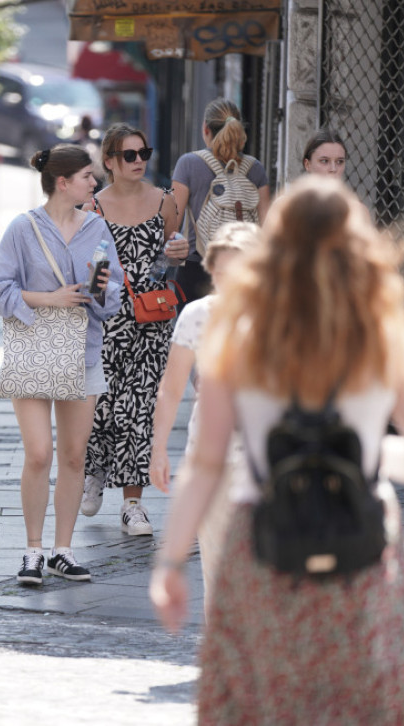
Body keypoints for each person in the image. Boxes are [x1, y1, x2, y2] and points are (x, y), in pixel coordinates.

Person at [150, 175, 404, 724]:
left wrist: (172, 563)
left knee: (268, 700)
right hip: (364, 542)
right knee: (371, 696)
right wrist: (363, 453)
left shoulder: (238, 336)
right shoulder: (384, 335)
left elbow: (205, 462)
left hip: (264, 545)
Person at [0, 144, 122, 585]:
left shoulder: (98, 228)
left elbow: (112, 293)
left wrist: (98, 291)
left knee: (73, 455)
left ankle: (63, 551)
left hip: (83, 352)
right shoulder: (22, 229)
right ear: (63, 182)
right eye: (87, 175)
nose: (94, 182)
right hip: (34, 349)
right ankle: (32, 550)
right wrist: (51, 299)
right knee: (39, 453)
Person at [80, 123, 188, 536]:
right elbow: (91, 272)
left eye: (144, 153)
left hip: (152, 322)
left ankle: (133, 505)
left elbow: (171, 251)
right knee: (102, 407)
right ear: (109, 161)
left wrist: (177, 250)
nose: (139, 161)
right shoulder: (93, 209)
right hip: (106, 323)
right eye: (130, 155)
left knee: (140, 411)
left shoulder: (165, 201)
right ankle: (95, 471)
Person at [149, 223, 259, 613]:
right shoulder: (197, 315)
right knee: (218, 568)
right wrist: (158, 449)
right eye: (222, 274)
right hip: (211, 461)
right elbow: (171, 387)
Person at [171, 98, 270, 303]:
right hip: (243, 269)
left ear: (205, 129)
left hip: (196, 269)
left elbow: (173, 222)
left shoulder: (188, 164)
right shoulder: (256, 168)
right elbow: (266, 227)